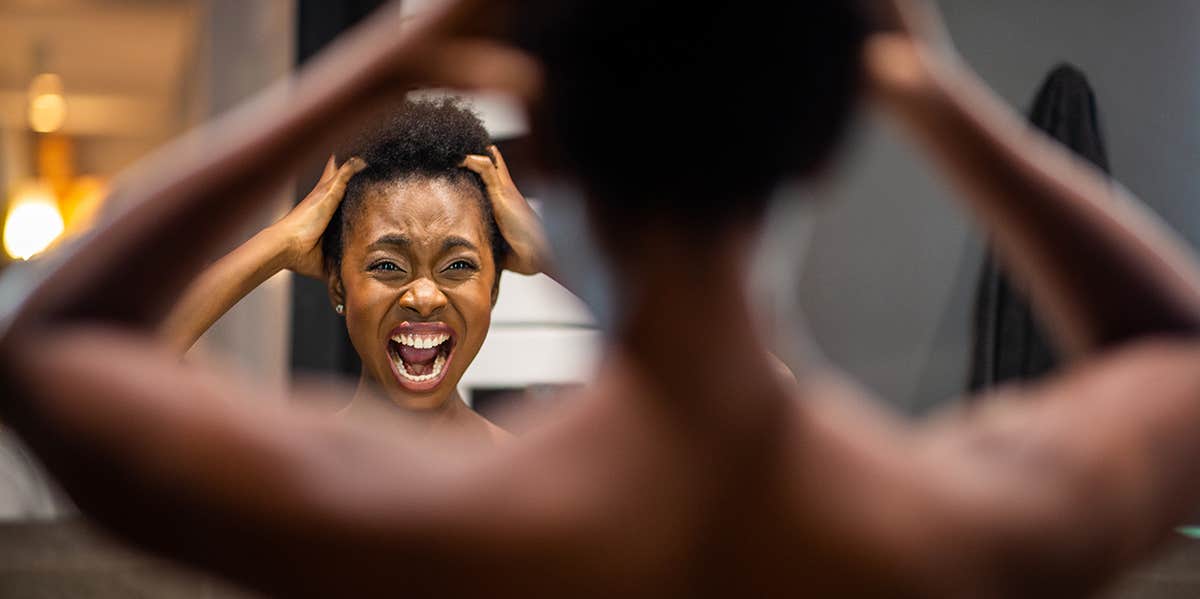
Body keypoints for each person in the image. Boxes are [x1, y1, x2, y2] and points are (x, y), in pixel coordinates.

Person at [4, 1, 1200, 597]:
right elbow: (1177, 355)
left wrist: (387, 55)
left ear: (552, 161)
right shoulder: (927, 517)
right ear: (825, 149)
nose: (423, 291)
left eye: (457, 262)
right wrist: (932, 89)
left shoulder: (424, 513)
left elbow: (53, 348)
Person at [158, 98, 546, 444]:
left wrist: (546, 250)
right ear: (338, 286)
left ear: (493, 287)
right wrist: (282, 242)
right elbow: (125, 353)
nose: (424, 298)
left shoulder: (533, 476)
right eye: (387, 265)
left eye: (458, 265)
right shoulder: (289, 470)